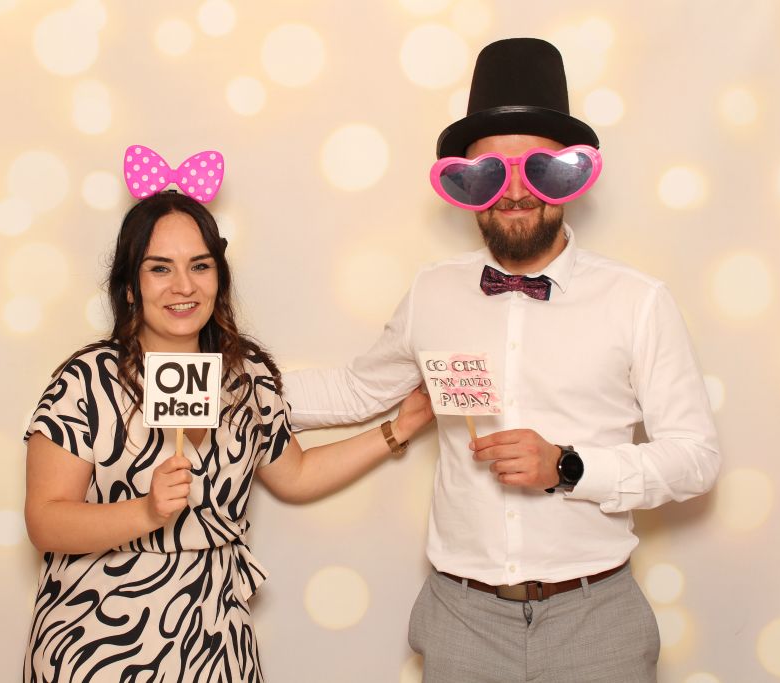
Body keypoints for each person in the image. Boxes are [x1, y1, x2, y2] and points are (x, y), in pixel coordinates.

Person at [283, 38, 720, 682]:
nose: (515, 192)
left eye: (539, 169)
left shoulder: (638, 301)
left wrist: (568, 466)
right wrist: (224, 383)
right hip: (462, 620)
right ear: (466, 183)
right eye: (491, 173)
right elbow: (355, 390)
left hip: (596, 619)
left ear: (571, 176)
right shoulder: (433, 292)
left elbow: (696, 458)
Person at [21, 153, 434, 682]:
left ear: (219, 277)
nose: (184, 286)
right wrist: (145, 511)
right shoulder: (87, 380)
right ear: (129, 286)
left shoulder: (246, 374)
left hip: (215, 640)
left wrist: (399, 428)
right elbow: (45, 521)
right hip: (98, 643)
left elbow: (296, 474)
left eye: (200, 265)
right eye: (160, 268)